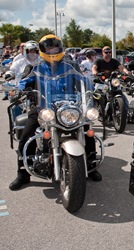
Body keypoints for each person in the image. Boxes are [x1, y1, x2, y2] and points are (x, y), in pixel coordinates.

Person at [9, 34, 101, 191]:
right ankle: (23, 173)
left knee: (87, 130)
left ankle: (91, 165)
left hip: (68, 109)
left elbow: (84, 81)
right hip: (43, 108)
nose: (53, 51)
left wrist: (96, 87)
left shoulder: (69, 67)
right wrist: (18, 90)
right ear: (43, 50)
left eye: (55, 48)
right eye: (49, 48)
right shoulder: (35, 68)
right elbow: (23, 81)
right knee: (27, 135)